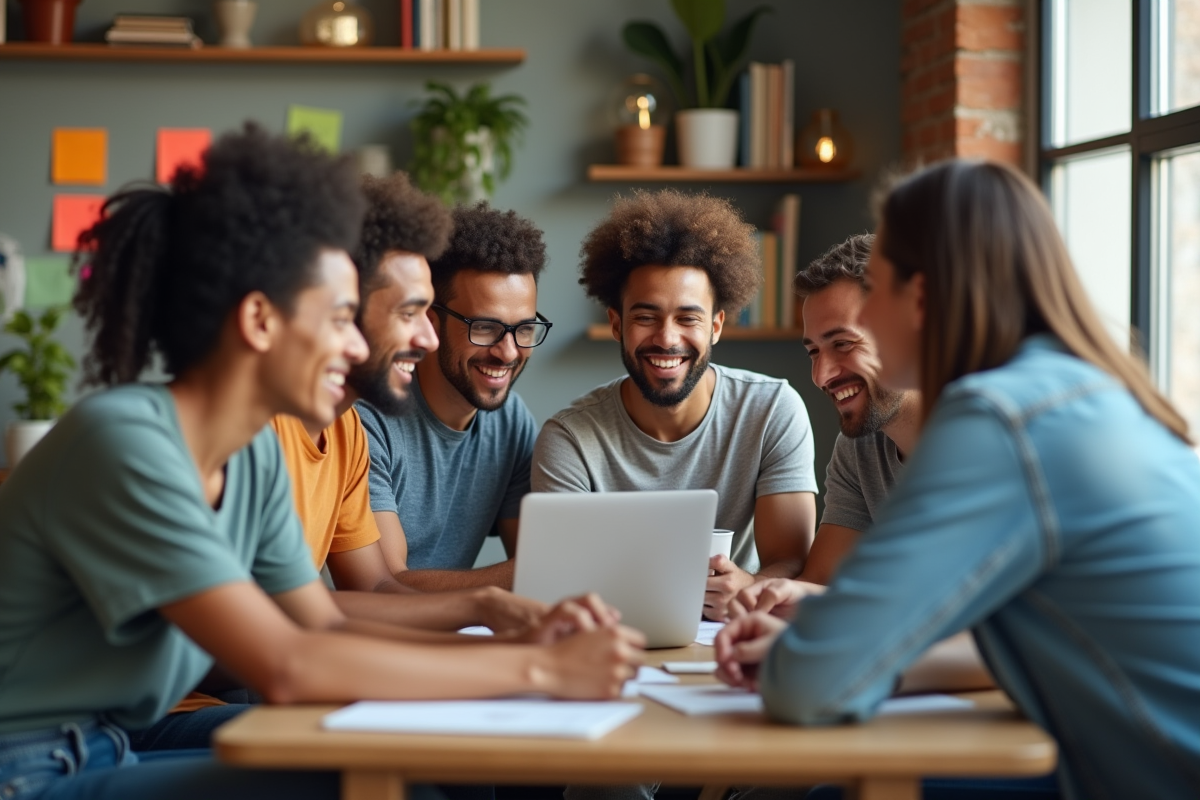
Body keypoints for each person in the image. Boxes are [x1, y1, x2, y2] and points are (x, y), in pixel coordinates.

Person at [0, 124, 644, 800]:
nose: (408, 342)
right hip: (29, 765)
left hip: (115, 739)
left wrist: (525, 649)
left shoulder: (248, 458)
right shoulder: (128, 443)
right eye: (341, 318)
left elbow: (329, 621)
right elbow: (289, 664)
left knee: (409, 776)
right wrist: (542, 673)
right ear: (260, 321)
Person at [716, 159, 1200, 800]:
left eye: (878, 288)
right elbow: (1007, 645)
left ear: (920, 298)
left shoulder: (999, 420)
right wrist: (839, 651)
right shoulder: (1073, 390)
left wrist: (805, 658)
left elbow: (808, 687)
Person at [130, 173, 555, 757]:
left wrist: (498, 624)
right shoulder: (198, 440)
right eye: (409, 313)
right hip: (121, 727)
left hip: (204, 704)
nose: (429, 339)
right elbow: (285, 648)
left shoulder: (341, 430)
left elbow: (332, 608)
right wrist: (531, 668)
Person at [533, 190, 818, 622]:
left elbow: (792, 561)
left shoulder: (773, 410)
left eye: (688, 318)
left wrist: (747, 587)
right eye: (646, 317)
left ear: (717, 326)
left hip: (730, 634)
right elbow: (560, 581)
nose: (667, 338)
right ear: (616, 324)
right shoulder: (569, 439)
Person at [359, 202, 549, 591]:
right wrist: (555, 563)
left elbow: (529, 558)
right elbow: (388, 583)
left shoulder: (510, 420)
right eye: (485, 327)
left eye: (524, 329)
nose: (508, 352)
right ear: (432, 321)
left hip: (460, 632)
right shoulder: (368, 419)